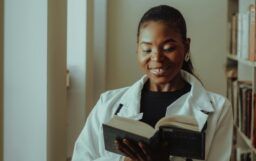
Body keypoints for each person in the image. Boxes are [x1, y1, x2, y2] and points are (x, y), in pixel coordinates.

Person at [72, 5, 233, 161]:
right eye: (147, 50)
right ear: (137, 49)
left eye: (168, 48)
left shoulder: (219, 109)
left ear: (186, 46)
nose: (157, 58)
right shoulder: (107, 103)